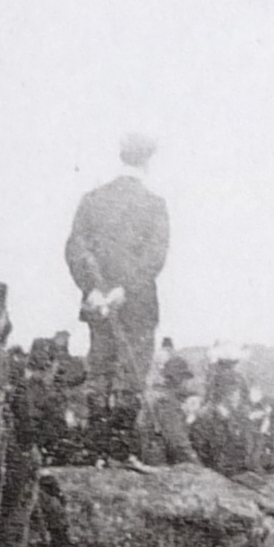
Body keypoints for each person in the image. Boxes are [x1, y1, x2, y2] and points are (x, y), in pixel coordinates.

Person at [67, 134, 172, 441]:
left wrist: (92, 290)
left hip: (98, 303)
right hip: (137, 304)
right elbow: (155, 256)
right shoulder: (154, 204)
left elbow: (75, 247)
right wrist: (124, 289)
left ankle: (96, 447)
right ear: (147, 161)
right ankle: (121, 448)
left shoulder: (92, 199)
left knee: (99, 371)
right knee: (132, 376)